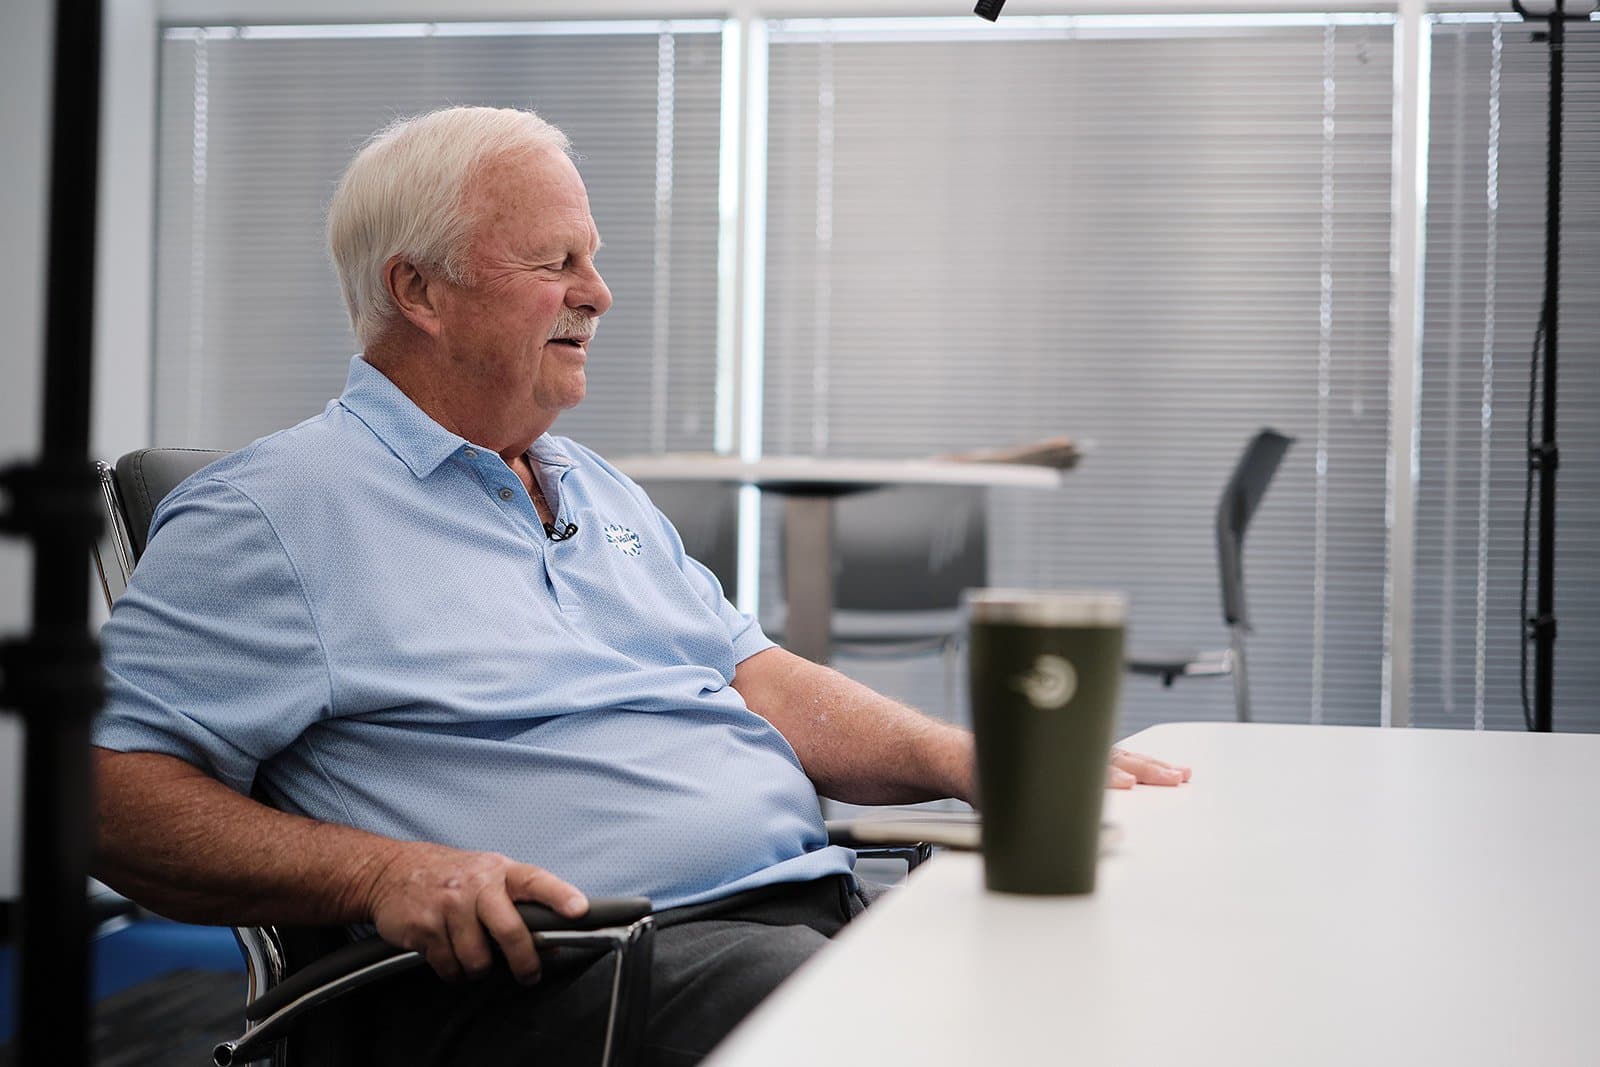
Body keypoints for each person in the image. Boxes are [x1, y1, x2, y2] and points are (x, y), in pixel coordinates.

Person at [92, 106, 1190, 1064]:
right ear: (417, 289)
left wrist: (971, 760)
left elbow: (755, 678)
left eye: (593, 257)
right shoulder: (278, 509)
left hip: (784, 917)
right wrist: (384, 872)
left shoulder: (594, 486)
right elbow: (100, 789)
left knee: (1095, 967)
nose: (599, 292)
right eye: (554, 262)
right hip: (561, 975)